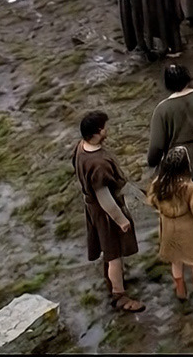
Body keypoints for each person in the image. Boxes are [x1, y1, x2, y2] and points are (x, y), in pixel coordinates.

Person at [72, 110, 143, 312]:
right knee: (114, 254)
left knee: (108, 248)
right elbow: (104, 196)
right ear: (98, 132)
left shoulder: (80, 148)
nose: (107, 130)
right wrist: (121, 220)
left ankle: (110, 280)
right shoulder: (98, 163)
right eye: (105, 127)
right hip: (105, 212)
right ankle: (119, 295)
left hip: (93, 208)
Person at [145, 145, 193, 305]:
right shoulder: (190, 188)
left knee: (175, 261)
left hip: (168, 228)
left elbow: (151, 200)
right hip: (189, 230)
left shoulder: (157, 184)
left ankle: (180, 291)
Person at [146, 64, 193, 191]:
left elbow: (157, 145)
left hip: (178, 157)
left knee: (185, 192)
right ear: (187, 78)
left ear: (167, 84)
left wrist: (152, 162)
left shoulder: (162, 109)